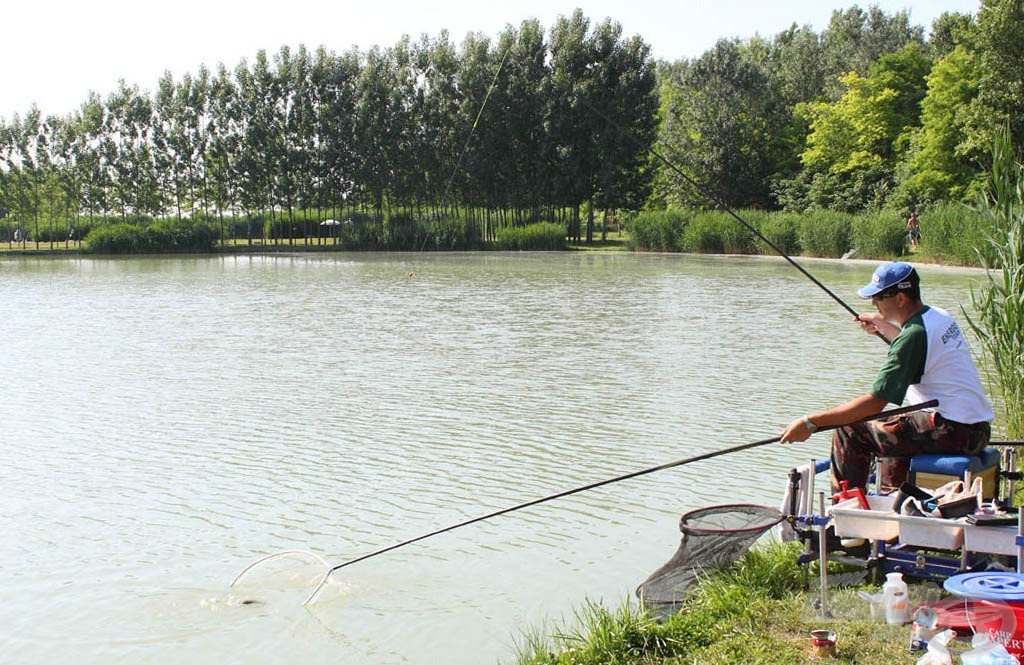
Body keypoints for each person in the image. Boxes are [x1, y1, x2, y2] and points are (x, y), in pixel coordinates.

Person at [780, 261, 993, 495]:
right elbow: (919, 348)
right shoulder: (940, 317)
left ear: (900, 298)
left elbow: (874, 403)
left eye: (879, 297)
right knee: (896, 426)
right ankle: (894, 497)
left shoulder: (913, 337)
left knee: (850, 429)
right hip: (978, 430)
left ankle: (847, 510)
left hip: (953, 433)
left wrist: (811, 422)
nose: (874, 303)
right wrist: (884, 327)